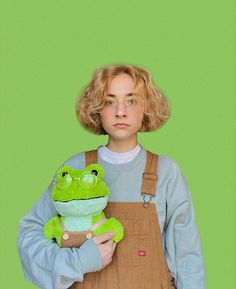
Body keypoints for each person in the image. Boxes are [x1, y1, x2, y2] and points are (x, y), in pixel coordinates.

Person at [17, 64, 206, 289]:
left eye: (131, 100)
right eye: (109, 101)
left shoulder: (166, 172)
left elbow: (187, 256)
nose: (120, 111)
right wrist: (76, 262)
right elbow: (29, 235)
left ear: (146, 107)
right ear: (96, 108)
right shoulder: (75, 169)